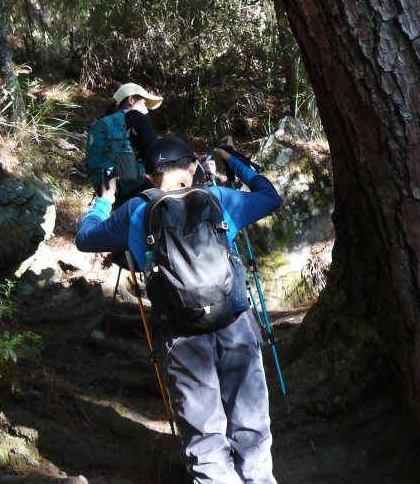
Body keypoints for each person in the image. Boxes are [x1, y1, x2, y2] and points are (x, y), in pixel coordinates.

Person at [76, 136, 281, 484]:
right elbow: (269, 196)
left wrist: (104, 200)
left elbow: (85, 238)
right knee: (252, 425)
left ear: (150, 177)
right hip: (233, 320)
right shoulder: (217, 198)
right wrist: (233, 161)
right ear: (191, 167)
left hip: (180, 334)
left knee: (204, 438)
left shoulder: (135, 210)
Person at [85, 82, 162, 203]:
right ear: (131, 100)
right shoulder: (137, 118)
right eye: (144, 102)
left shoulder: (108, 124)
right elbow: (157, 153)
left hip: (108, 190)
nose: (147, 109)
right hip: (137, 188)